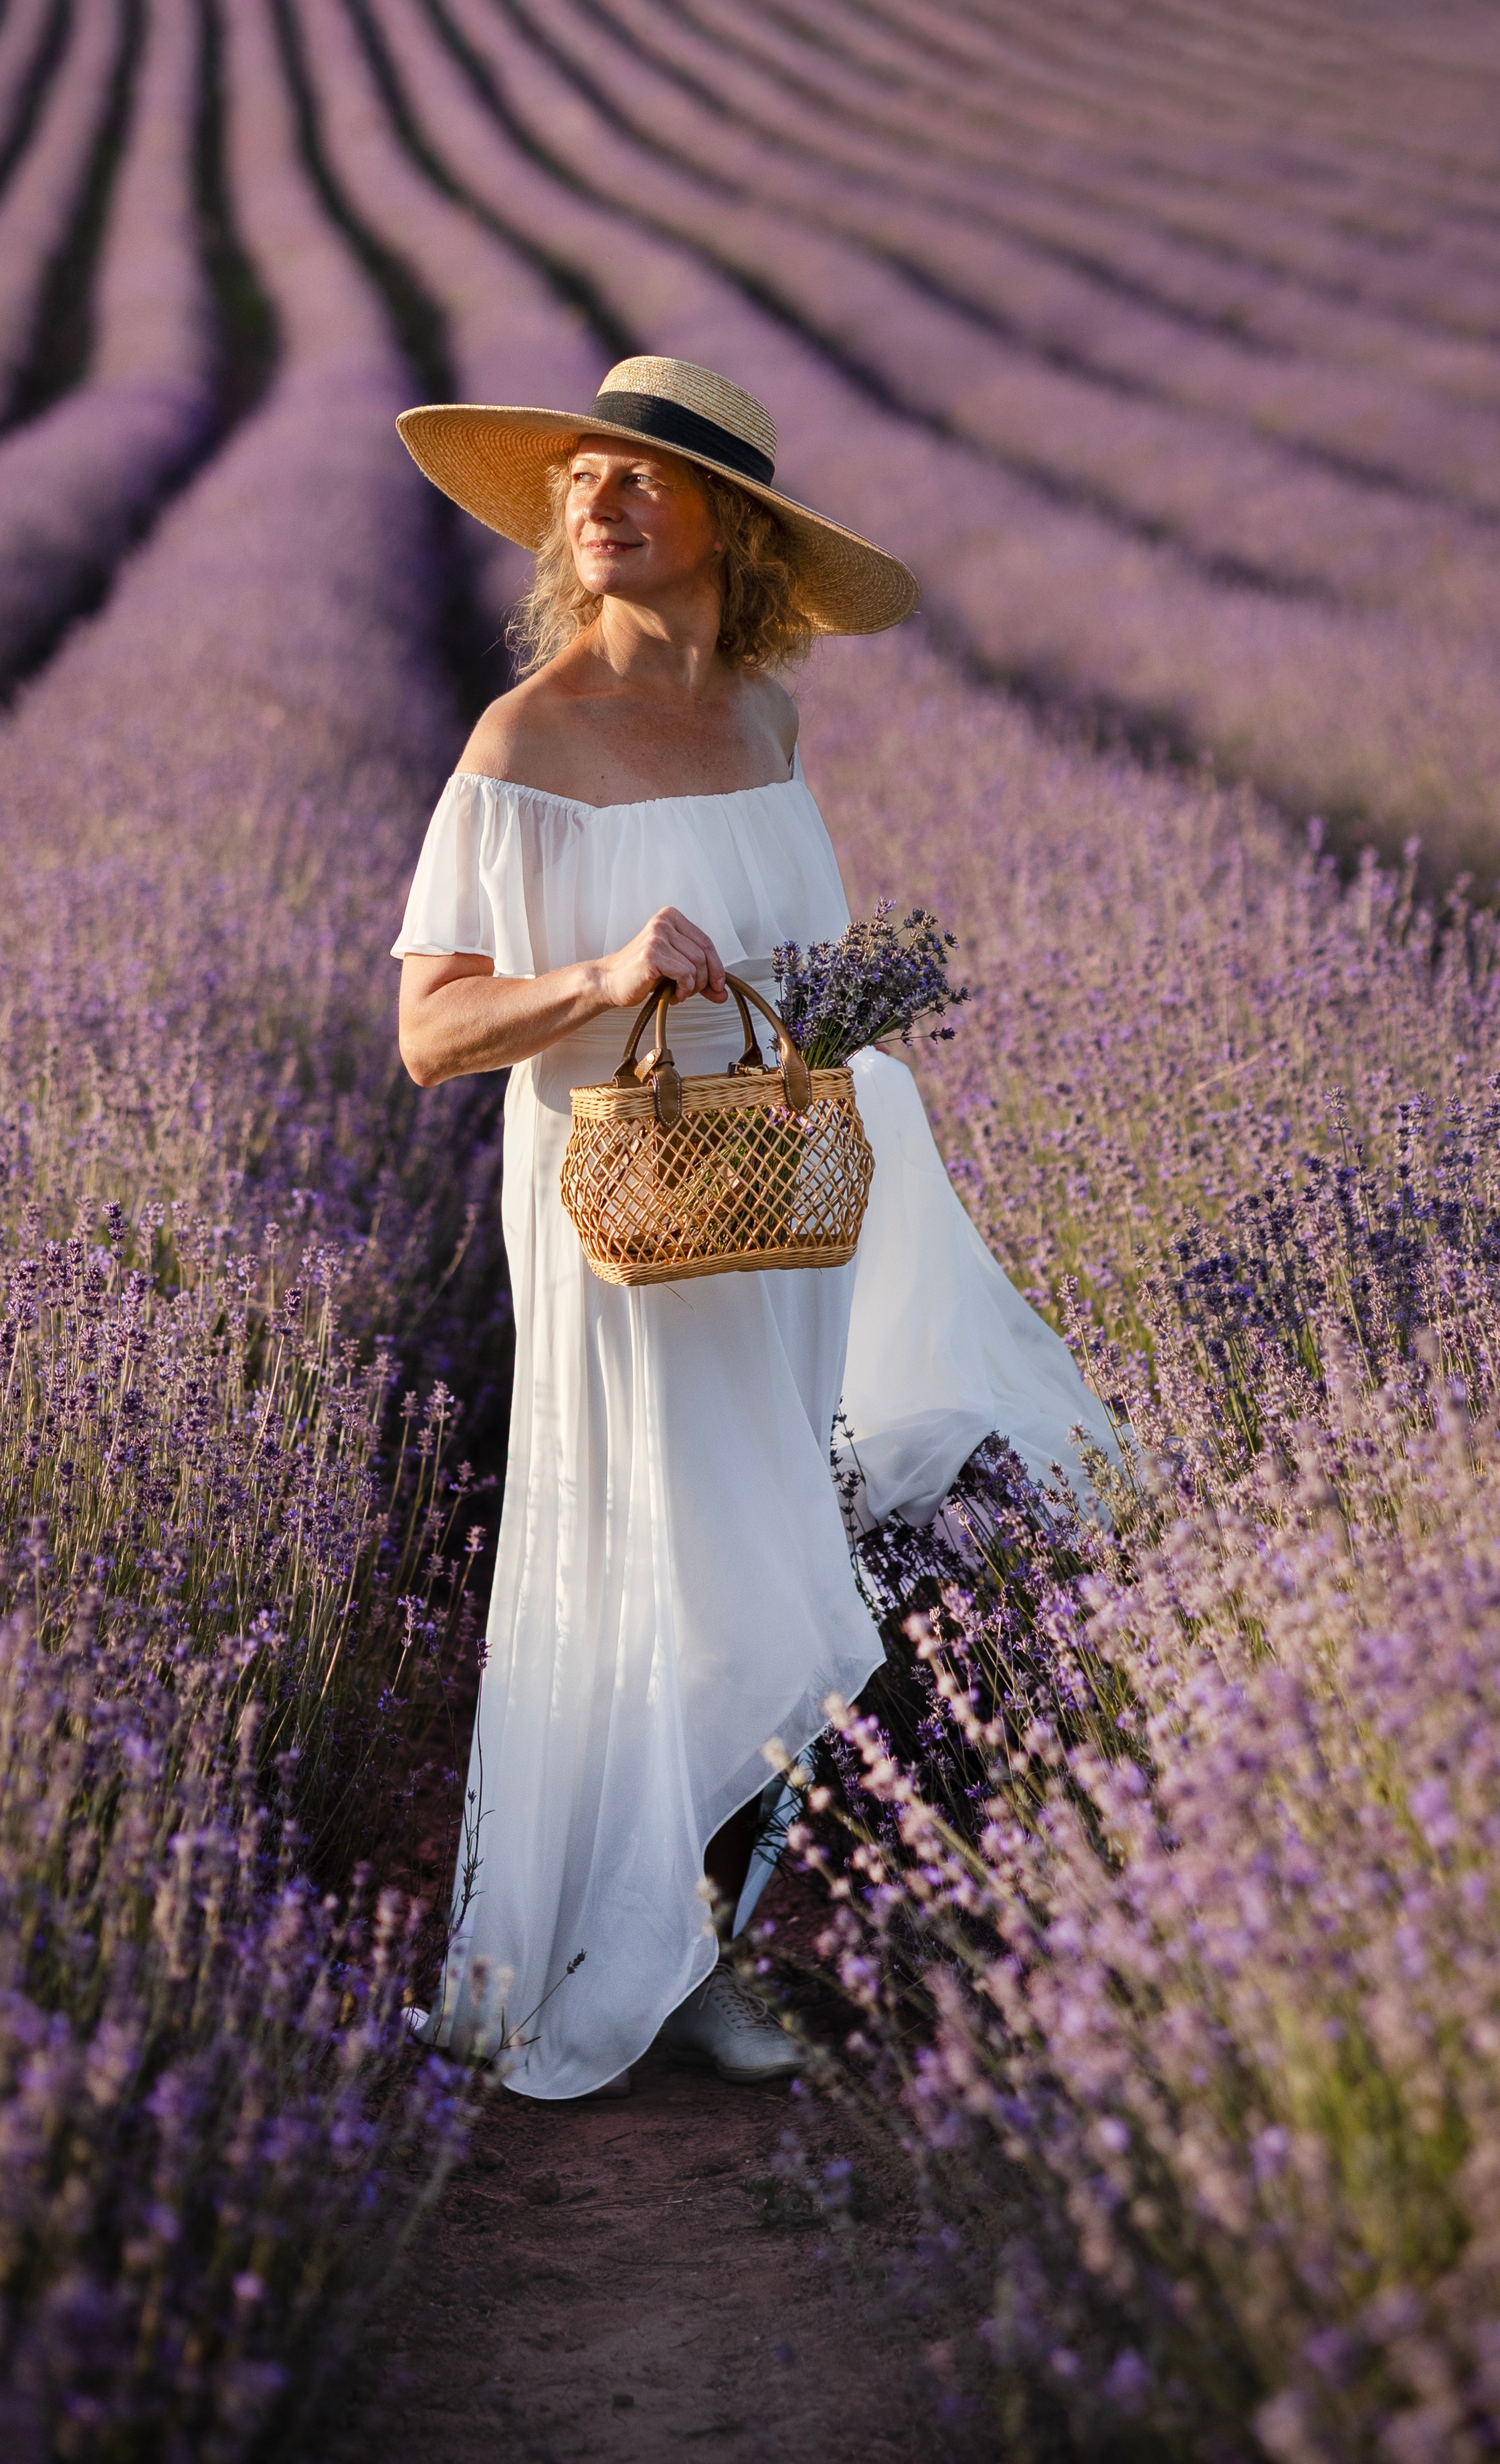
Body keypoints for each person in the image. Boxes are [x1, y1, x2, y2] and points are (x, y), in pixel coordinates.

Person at [392, 357, 1111, 2101]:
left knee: (782, 1548)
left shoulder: (774, 721)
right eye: (584, 479)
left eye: (645, 477)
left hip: (784, 1198)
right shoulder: (524, 743)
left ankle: (710, 1934)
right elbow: (427, 1032)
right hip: (621, 1211)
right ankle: (605, 1948)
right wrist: (605, 972)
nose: (602, 501)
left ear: (737, 527)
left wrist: (844, 1005)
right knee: (656, 1548)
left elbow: (794, 952)